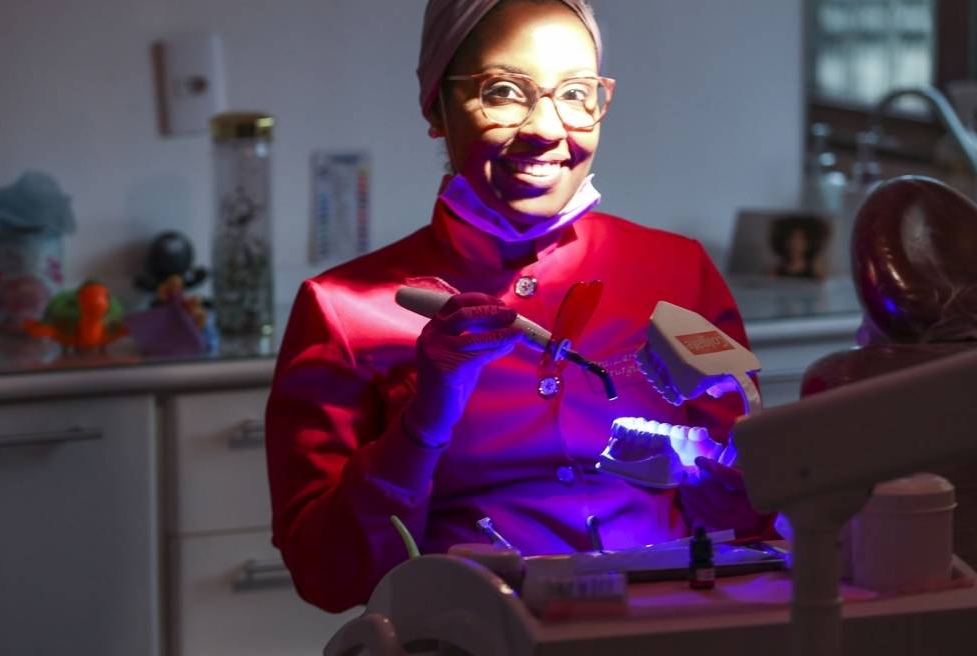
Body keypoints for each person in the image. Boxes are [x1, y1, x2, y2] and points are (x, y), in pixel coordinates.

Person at [265, 0, 766, 613]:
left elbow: (759, 511)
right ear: (436, 108)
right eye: (503, 92)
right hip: (466, 640)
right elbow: (326, 577)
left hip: (664, 630)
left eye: (576, 94)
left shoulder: (676, 271)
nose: (546, 129)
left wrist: (743, 498)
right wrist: (425, 418)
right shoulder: (343, 311)